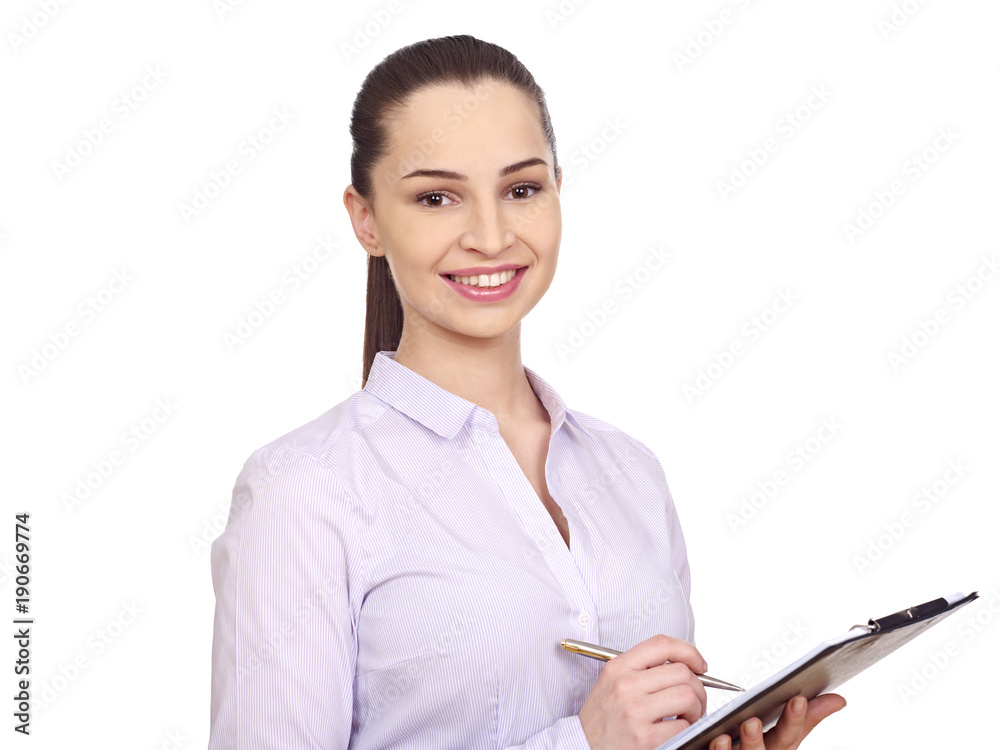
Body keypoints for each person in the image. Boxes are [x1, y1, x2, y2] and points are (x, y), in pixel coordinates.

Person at [207, 34, 846, 749]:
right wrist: (582, 742)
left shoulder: (630, 471)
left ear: (557, 192)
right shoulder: (304, 490)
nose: (489, 234)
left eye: (520, 189)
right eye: (437, 197)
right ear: (366, 219)